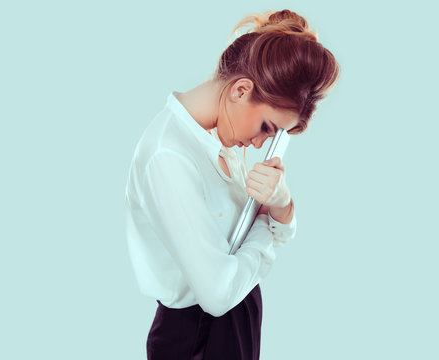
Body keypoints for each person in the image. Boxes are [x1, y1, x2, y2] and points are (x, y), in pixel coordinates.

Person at [125, 9, 340, 360]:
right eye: (266, 128)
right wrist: (265, 233)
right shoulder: (168, 156)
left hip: (238, 319)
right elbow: (218, 293)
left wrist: (281, 203)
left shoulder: (220, 137)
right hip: (192, 335)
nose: (259, 144)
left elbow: (279, 233)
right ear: (241, 90)